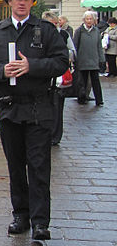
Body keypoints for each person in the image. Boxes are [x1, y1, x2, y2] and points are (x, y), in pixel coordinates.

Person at [0, 0, 68, 241]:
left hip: (39, 108)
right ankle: (21, 214)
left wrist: (32, 66)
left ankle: (41, 221)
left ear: (32, 2)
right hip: (9, 107)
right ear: (10, 1)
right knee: (15, 165)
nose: (22, 3)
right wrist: (2, 71)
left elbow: (61, 62)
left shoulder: (46, 31)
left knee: (39, 165)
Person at [41, 11, 76, 146]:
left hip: (58, 78)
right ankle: (45, 134)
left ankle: (55, 136)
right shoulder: (38, 34)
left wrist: (62, 56)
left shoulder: (63, 34)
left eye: (55, 24)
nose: (54, 26)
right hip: (43, 78)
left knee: (57, 107)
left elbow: (72, 52)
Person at [73, 10, 105, 106]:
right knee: (82, 81)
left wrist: (102, 59)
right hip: (82, 60)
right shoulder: (79, 31)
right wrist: (75, 59)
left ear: (94, 20)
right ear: (84, 20)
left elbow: (99, 46)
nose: (89, 21)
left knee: (95, 81)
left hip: (94, 60)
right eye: (87, 19)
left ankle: (99, 100)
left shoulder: (96, 31)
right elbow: (75, 46)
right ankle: (82, 98)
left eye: (91, 19)